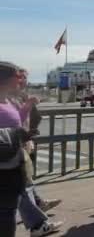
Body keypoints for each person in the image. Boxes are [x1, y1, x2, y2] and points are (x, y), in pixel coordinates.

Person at [0, 62, 63, 237]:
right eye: (17, 76)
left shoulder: (8, 101)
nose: (21, 80)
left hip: (14, 164)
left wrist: (27, 107)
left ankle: (37, 220)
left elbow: (17, 123)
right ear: (5, 79)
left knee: (9, 214)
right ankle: (38, 223)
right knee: (6, 215)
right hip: (4, 167)